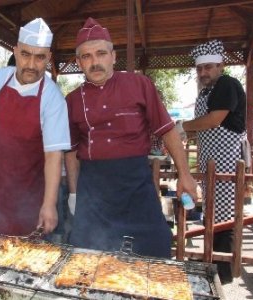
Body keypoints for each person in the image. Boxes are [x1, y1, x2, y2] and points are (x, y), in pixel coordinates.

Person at [65, 18, 198, 258]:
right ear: (78, 62)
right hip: (93, 192)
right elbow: (72, 152)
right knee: (86, 258)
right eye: (86, 56)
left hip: (135, 186)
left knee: (153, 252)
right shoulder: (72, 100)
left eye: (101, 53)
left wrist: (185, 175)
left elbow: (166, 130)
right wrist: (74, 194)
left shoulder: (140, 84)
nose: (95, 62)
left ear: (113, 56)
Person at [0, 18, 70, 236]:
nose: (31, 64)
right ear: (16, 51)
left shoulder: (52, 98)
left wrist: (49, 205)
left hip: (29, 190)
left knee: (23, 250)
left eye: (39, 58)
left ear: (48, 58)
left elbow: (53, 156)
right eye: (25, 54)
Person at [178, 39, 246, 283]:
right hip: (211, 161)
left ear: (221, 66)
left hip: (226, 162)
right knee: (211, 211)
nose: (203, 72)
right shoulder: (207, 91)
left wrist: (182, 127)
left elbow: (215, 120)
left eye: (208, 67)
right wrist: (186, 134)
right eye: (199, 68)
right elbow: (204, 127)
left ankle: (223, 270)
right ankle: (210, 261)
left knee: (224, 215)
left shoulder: (227, 84)